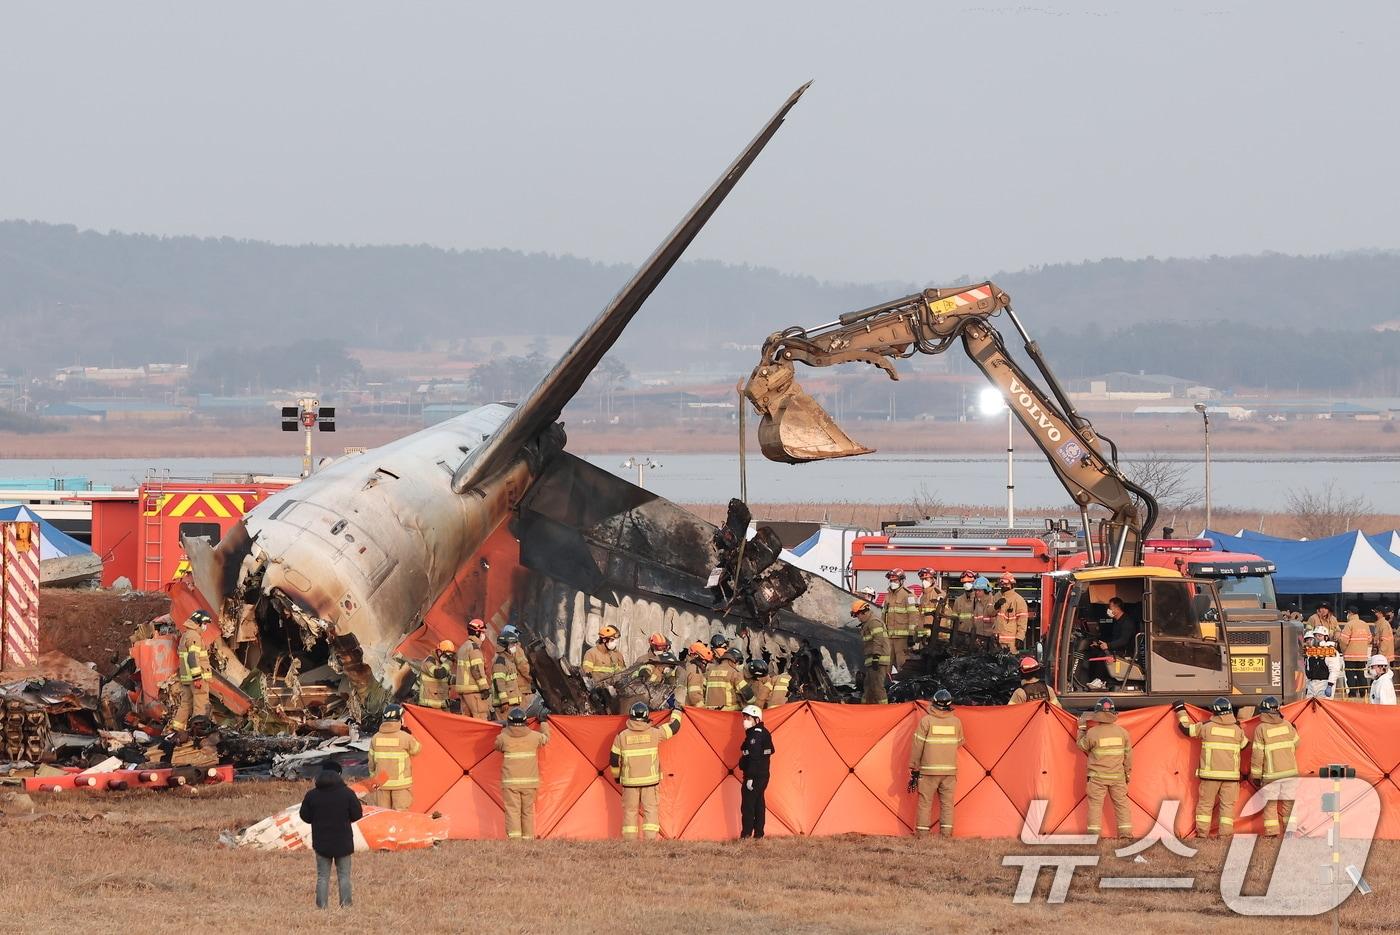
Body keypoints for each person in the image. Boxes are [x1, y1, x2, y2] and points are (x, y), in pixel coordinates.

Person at [1175, 697, 1249, 838]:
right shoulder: (1237, 730)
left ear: (1214, 712)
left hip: (1210, 777)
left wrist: (1180, 709)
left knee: (1205, 806)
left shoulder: (1207, 727)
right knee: (1227, 807)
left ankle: (1202, 834)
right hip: (1231, 778)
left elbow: (1185, 729)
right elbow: (1245, 745)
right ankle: (1225, 836)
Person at [611, 700, 683, 840]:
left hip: (629, 783)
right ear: (646, 715)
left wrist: (616, 777)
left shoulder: (621, 736)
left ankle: (629, 842)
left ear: (630, 716)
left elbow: (613, 759)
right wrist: (677, 710)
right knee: (650, 810)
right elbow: (674, 727)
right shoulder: (655, 733)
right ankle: (650, 841)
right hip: (650, 782)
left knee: (630, 812)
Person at [299, 759, 362, 909]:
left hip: (321, 841)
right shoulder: (347, 793)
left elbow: (305, 816)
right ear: (339, 775)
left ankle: (322, 907)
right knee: (344, 876)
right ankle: (346, 906)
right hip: (343, 841)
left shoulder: (312, 795)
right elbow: (357, 814)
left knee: (322, 877)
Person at [908, 689, 963, 837]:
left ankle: (922, 834)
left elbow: (917, 746)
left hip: (928, 771)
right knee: (947, 804)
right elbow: (959, 743)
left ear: (933, 703)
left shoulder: (926, 721)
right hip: (949, 772)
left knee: (925, 803)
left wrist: (914, 767)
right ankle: (946, 834)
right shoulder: (956, 722)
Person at [1077, 696, 1133, 839]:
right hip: (1118, 777)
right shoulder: (1123, 733)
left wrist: (1081, 728)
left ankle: (1093, 835)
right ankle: (1125, 834)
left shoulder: (1092, 733)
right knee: (1122, 805)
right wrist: (1127, 774)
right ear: (1113, 713)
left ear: (1097, 714)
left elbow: (1081, 746)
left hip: (1097, 778)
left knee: (1095, 806)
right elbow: (1128, 757)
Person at [494, 707, 550, 840]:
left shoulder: (503, 738)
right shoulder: (535, 737)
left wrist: (504, 729)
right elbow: (546, 738)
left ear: (509, 722)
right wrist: (543, 722)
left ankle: (515, 840)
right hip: (530, 783)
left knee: (513, 811)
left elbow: (497, 746)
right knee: (527, 811)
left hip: (510, 783)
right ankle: (528, 839)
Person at [1248, 696, 1299, 837]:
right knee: (1289, 802)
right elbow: (1297, 743)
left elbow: (1257, 755)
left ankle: (1272, 834)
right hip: (1290, 773)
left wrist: (1256, 776)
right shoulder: (1288, 725)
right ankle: (1290, 833)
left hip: (1271, 775)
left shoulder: (1261, 729)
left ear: (1263, 712)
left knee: (1270, 804)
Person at [368, 703, 421, 809]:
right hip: (400, 784)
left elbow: (371, 763)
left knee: (383, 814)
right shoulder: (405, 737)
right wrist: (409, 734)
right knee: (400, 815)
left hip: (381, 783)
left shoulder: (375, 738)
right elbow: (416, 750)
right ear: (400, 719)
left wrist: (374, 779)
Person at [1086, 597, 1141, 690]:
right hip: (1117, 648)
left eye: (1110, 607)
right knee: (1094, 652)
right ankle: (1094, 679)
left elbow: (1124, 641)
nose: (1109, 610)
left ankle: (1101, 681)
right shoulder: (1117, 622)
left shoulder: (1127, 622)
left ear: (1117, 608)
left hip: (1125, 652)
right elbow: (1113, 638)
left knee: (1102, 655)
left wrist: (1108, 645)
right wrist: (1100, 644)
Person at [171, 610, 213, 731]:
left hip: (186, 678)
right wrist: (197, 678)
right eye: (205, 624)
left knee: (185, 704)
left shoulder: (186, 635)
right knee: (200, 704)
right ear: (199, 623)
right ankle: (199, 732)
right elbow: (192, 657)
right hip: (197, 678)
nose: (205, 627)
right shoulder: (194, 636)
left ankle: (177, 730)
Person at [738, 704, 774, 839]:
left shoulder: (756, 736)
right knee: (759, 804)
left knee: (748, 806)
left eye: (748, 718)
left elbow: (754, 757)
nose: (745, 721)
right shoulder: (761, 733)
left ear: (757, 720)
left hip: (754, 776)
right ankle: (759, 834)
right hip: (762, 775)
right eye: (744, 717)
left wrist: (750, 778)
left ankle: (746, 835)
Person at [853, 599, 890, 704]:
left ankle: (884, 711)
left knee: (877, 687)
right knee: (868, 686)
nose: (858, 618)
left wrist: (876, 657)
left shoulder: (873, 623)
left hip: (878, 660)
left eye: (858, 615)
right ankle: (865, 709)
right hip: (873, 659)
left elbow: (878, 640)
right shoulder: (868, 623)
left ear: (864, 612)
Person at [455, 620, 492, 720]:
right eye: (483, 632)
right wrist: (484, 687)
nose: (484, 635)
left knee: (467, 720)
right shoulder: (474, 648)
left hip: (463, 691)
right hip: (473, 691)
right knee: (480, 718)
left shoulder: (463, 647)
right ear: (477, 632)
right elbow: (477, 671)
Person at [882, 569, 919, 669]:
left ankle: (902, 683)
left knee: (902, 664)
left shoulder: (908, 595)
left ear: (901, 581)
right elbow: (883, 615)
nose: (893, 583)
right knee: (886, 665)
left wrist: (911, 635)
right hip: (889, 637)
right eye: (891, 581)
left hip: (902, 639)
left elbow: (913, 616)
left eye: (895, 581)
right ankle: (887, 683)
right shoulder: (888, 595)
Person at [1338, 607, 1373, 698]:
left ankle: (1352, 693)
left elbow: (1343, 640)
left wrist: (1344, 650)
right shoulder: (1365, 624)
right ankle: (1363, 693)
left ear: (1350, 613)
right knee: (1361, 674)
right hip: (1362, 656)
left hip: (1350, 655)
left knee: (1350, 675)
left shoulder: (1349, 624)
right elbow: (1369, 639)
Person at [1302, 626, 1343, 699]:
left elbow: (1334, 669)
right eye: (1315, 635)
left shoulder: (1330, 650)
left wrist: (1330, 685)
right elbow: (1308, 670)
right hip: (1312, 683)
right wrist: (1307, 686)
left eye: (1319, 636)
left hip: (1325, 683)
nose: (1316, 638)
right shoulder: (1311, 652)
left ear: (1326, 637)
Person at [993, 572, 1028, 652]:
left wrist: (1020, 638)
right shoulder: (996, 596)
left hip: (1010, 643)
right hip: (996, 640)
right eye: (1002, 585)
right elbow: (989, 613)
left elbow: (1022, 621)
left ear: (1012, 585)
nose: (1004, 586)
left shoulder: (1018, 600)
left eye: (1006, 584)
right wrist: (996, 606)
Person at [491, 633, 524, 720]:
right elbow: (499, 682)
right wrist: (504, 701)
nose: (515, 646)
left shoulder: (509, 660)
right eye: (512, 644)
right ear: (505, 646)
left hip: (512, 703)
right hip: (505, 705)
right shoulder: (500, 662)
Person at [502, 626, 535, 710]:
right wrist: (533, 679)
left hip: (508, 692)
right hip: (522, 690)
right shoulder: (516, 649)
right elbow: (523, 667)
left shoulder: (501, 651)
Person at [705, 647, 748, 712]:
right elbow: (748, 695)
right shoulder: (734, 673)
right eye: (738, 663)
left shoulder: (709, 671)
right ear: (734, 660)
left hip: (710, 713)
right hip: (728, 713)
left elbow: (702, 691)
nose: (737, 665)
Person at [416, 641, 455, 710]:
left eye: (450, 656)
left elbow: (447, 678)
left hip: (440, 706)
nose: (447, 659)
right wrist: (449, 662)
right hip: (427, 707)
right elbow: (439, 673)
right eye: (446, 656)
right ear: (439, 652)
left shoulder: (443, 664)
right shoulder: (429, 662)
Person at [916, 568, 945, 645]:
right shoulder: (923, 596)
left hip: (934, 637)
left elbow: (943, 616)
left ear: (933, 579)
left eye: (926, 579)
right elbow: (921, 617)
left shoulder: (939, 594)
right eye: (922, 579)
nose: (924, 581)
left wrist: (939, 635)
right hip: (924, 636)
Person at [680, 642, 712, 707]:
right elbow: (694, 695)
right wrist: (703, 710)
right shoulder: (695, 670)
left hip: (680, 705)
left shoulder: (682, 666)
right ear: (695, 655)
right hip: (689, 708)